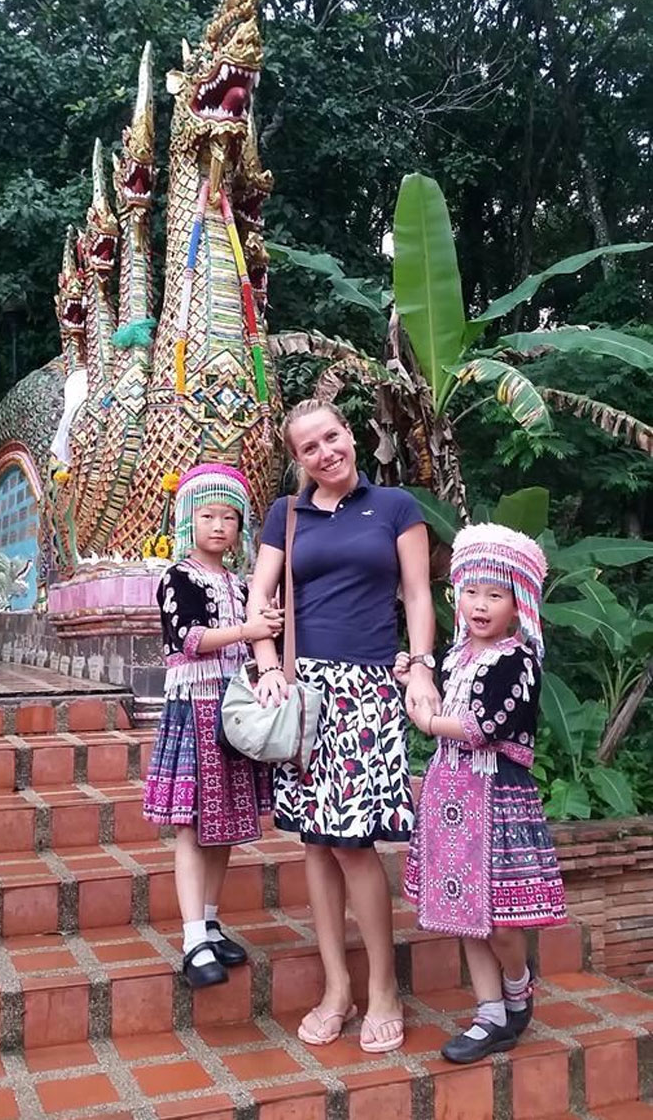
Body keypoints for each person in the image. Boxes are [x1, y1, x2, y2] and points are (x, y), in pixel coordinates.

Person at [247, 399, 439, 1054]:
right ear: (297, 458)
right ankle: (336, 987)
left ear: (349, 435)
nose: (325, 452)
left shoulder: (396, 508)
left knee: (354, 844)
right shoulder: (286, 515)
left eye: (332, 437)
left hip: (367, 691)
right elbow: (261, 599)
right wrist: (267, 663)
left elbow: (417, 595)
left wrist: (419, 667)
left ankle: (382, 986)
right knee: (314, 843)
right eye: (309, 447)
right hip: (304, 693)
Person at [398, 523, 567, 1064]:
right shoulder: (456, 655)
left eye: (496, 594)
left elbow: (487, 724)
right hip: (450, 791)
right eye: (470, 590)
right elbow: (439, 694)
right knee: (462, 906)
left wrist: (428, 721)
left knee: (501, 918)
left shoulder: (518, 661)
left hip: (495, 796)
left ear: (520, 604)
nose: (480, 604)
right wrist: (413, 674)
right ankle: (490, 1014)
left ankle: (517, 984)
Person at [143, 463, 281, 989]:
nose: (220, 526)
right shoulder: (178, 576)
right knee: (192, 826)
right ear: (188, 521)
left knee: (219, 824)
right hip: (195, 705)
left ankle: (210, 919)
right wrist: (250, 628)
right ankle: (191, 937)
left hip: (233, 709)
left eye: (231, 517)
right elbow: (188, 638)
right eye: (208, 516)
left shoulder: (241, 582)